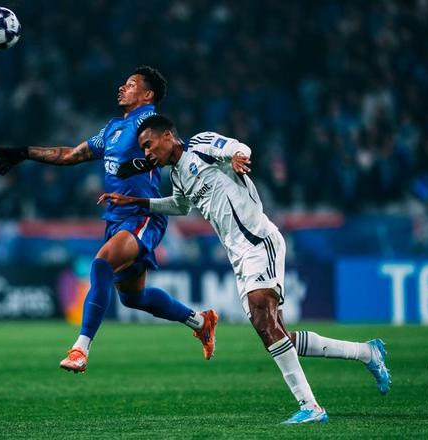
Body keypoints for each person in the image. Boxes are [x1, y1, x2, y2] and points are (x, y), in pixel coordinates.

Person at [99, 115, 391, 424]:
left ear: (168, 136)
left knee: (265, 321)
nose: (146, 153)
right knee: (278, 335)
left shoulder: (200, 145)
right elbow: (182, 206)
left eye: (149, 145)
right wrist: (137, 202)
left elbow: (238, 147)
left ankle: (311, 407)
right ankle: (366, 352)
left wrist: (238, 156)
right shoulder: (178, 175)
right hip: (239, 256)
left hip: (258, 242)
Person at [0, 67, 218, 374]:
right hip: (116, 217)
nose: (122, 87)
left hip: (142, 216)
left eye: (131, 84)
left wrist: (221, 157)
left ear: (148, 95)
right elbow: (72, 155)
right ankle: (201, 321)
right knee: (133, 298)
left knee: (101, 264)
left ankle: (80, 349)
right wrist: (25, 152)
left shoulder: (149, 123)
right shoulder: (113, 128)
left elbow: (177, 148)